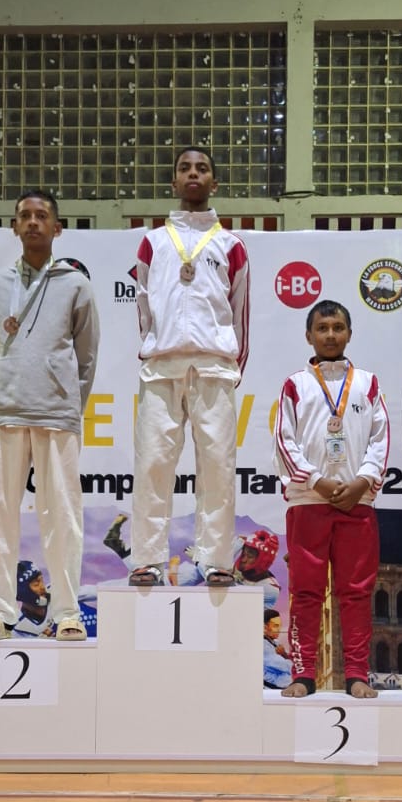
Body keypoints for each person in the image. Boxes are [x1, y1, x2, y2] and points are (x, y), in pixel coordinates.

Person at [0, 189, 99, 641]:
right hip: (6, 411)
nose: (33, 222)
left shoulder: (76, 285)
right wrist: (9, 384)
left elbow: (86, 357)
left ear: (57, 228)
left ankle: (66, 612)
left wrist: (66, 401)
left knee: (62, 515)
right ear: (14, 227)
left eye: (42, 216)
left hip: (57, 415)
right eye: (25, 215)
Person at [128, 146, 250, 588]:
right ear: (174, 181)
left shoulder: (231, 245)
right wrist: (156, 345)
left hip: (215, 368)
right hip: (162, 367)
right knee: (153, 465)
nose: (193, 174)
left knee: (217, 466)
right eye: (185, 168)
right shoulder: (154, 242)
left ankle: (215, 559)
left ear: (214, 183)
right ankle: (147, 559)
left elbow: (240, 313)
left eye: (202, 168)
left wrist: (230, 363)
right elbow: (144, 304)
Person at [274, 299, 390, 699]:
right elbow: (284, 442)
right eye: (322, 328)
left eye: (338, 328)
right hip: (308, 501)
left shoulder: (368, 383)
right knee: (306, 592)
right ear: (309, 335)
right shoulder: (296, 385)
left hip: (357, 503)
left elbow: (380, 439)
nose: (330, 335)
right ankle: (303, 673)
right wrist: (317, 482)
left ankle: (356, 674)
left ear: (349, 334)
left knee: (355, 591)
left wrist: (363, 482)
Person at [263, 607, 293, 690]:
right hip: (272, 690)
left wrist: (284, 655)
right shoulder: (263, 646)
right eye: (275, 626)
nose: (279, 629)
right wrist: (285, 656)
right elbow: (288, 667)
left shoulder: (275, 642)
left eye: (280, 626)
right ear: (265, 627)